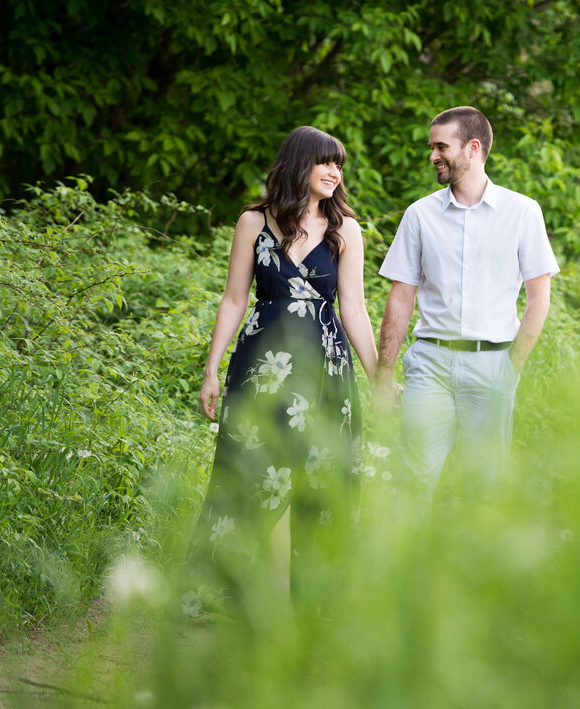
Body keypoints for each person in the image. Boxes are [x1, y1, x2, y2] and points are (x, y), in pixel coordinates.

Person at [195, 125, 378, 601]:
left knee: (321, 473)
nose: (335, 172)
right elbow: (235, 299)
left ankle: (314, 597)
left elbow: (354, 310)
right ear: (300, 163)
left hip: (326, 368)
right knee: (254, 468)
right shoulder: (254, 223)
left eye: (339, 164)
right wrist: (211, 370)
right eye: (326, 162)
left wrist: (380, 373)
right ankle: (237, 589)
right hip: (262, 367)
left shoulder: (345, 231)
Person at [376, 106, 558, 501]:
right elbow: (401, 297)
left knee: (486, 490)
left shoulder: (522, 212)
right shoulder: (419, 215)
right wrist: (384, 374)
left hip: (493, 365)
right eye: (432, 147)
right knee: (412, 482)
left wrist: (513, 366)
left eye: (441, 146)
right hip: (431, 365)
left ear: (473, 148)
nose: (433, 155)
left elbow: (539, 297)